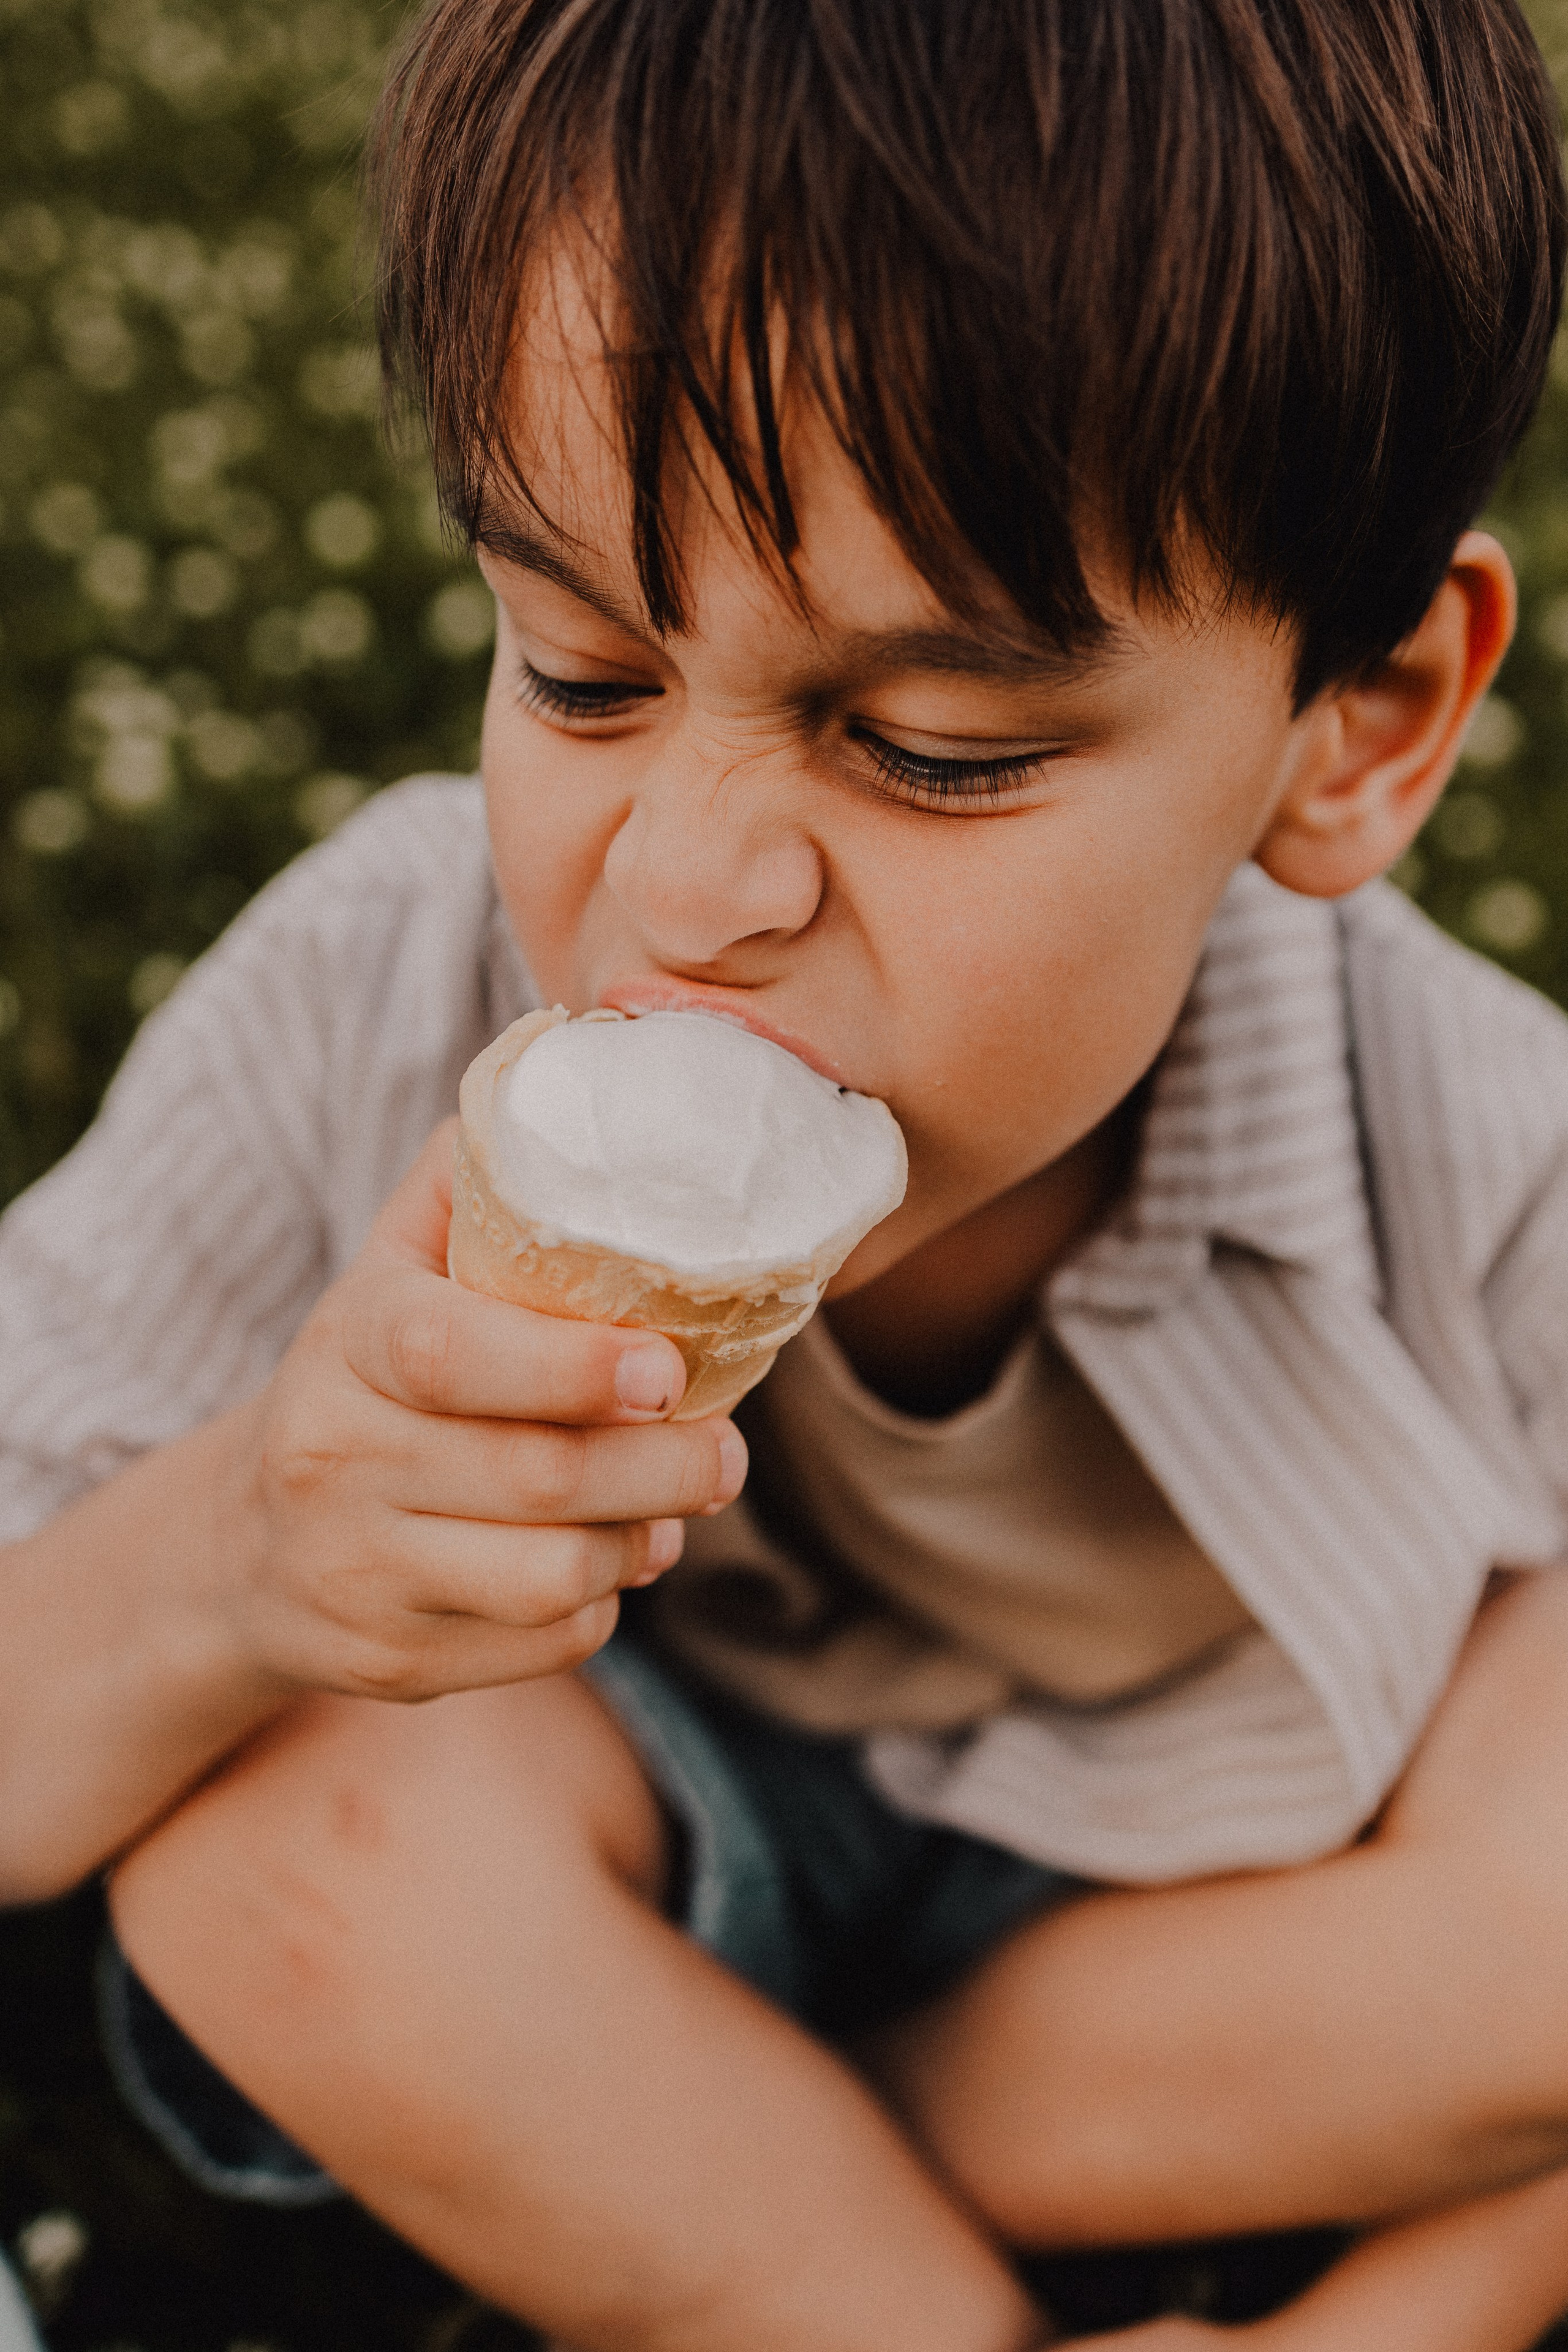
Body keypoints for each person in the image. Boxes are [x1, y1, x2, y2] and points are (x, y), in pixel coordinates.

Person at [7, 0, 1568, 2342]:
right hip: (624, 1823)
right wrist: (245, 1548)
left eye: (932, 748)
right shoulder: (371, 988)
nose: (696, 877)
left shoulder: (1470, 1142)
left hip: (1214, 1942)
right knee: (270, 1854)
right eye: (582, 672)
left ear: (1358, 727)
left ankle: (781, 2136)